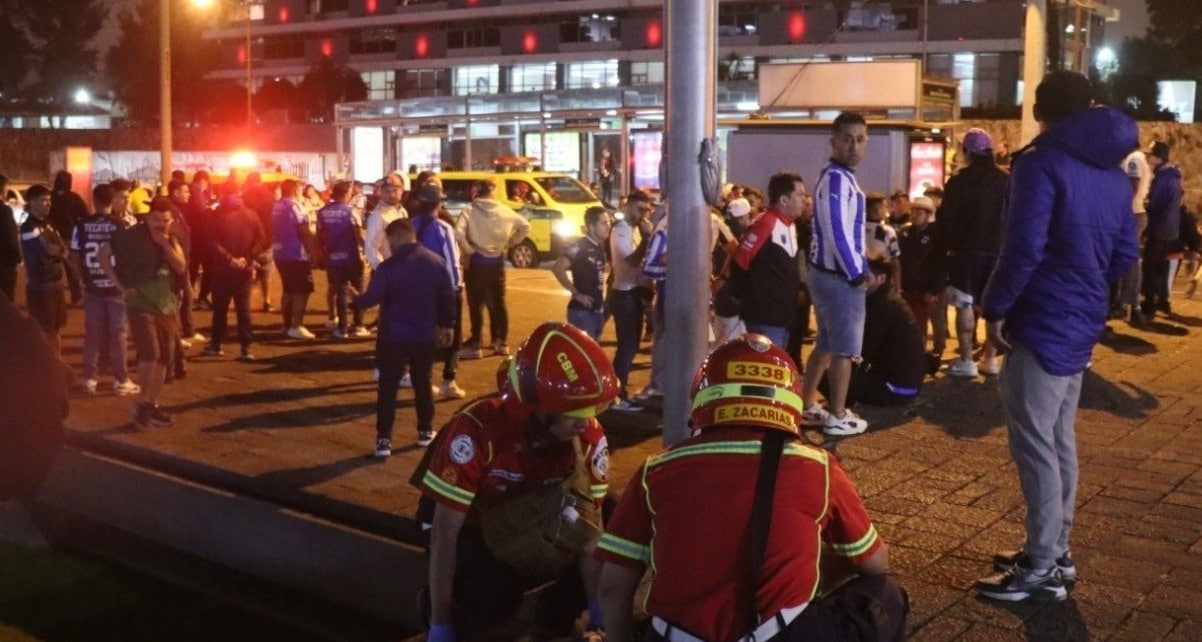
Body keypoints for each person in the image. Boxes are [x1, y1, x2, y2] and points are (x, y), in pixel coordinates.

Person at [596, 333, 908, 642]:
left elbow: (613, 586)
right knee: (887, 595)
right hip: (776, 634)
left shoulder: (656, 470)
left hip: (674, 636)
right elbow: (874, 561)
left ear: (703, 399)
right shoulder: (818, 467)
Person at [975, 71, 1138, 602]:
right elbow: (1123, 256)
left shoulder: (1040, 163)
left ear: (1042, 111)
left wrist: (994, 308)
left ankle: (1041, 563)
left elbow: (1022, 248)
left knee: (1035, 444)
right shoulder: (1115, 175)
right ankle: (1056, 550)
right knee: (1059, 437)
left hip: (1043, 318)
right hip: (1082, 317)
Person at [414, 321, 619, 641]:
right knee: (495, 596)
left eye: (593, 409)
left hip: (533, 509)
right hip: (472, 523)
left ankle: (555, 615)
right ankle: (436, 607)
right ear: (539, 407)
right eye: (574, 411)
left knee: (616, 518)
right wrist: (440, 623)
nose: (586, 421)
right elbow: (445, 531)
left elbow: (592, 533)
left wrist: (599, 611)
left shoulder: (589, 435)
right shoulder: (479, 428)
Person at [354, 218, 455, 456]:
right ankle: (425, 431)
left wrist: (353, 299)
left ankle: (383, 440)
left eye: (388, 240)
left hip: (394, 336)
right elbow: (447, 297)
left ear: (397, 237)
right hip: (424, 335)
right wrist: (447, 325)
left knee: (388, 388)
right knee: (423, 383)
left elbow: (371, 298)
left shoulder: (389, 267)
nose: (387, 246)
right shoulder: (436, 262)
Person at [802, 111, 870, 437]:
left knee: (826, 345)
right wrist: (858, 273)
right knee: (845, 349)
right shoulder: (837, 180)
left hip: (825, 273)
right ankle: (837, 415)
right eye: (847, 139)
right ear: (833, 140)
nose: (854, 146)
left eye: (860, 139)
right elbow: (836, 231)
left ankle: (807, 404)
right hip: (838, 277)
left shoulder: (836, 176)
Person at [99, 197, 189, 429]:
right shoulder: (131, 237)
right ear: (147, 218)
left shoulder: (172, 238)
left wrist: (165, 245)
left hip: (166, 304)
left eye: (165, 220)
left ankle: (151, 404)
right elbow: (102, 254)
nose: (160, 224)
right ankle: (141, 404)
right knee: (150, 354)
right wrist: (119, 286)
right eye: (156, 220)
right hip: (140, 303)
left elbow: (180, 266)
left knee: (164, 359)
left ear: (172, 220)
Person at [940, 128, 1008, 378]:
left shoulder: (958, 182)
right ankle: (990, 360)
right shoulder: (1005, 180)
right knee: (993, 305)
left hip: (966, 252)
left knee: (964, 305)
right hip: (997, 250)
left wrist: (948, 247)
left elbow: (946, 219)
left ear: (968, 151)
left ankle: (967, 360)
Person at [818, 259, 927, 407]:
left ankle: (840, 408)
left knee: (826, 374)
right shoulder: (887, 299)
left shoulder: (882, 307)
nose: (860, 282)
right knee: (834, 370)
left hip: (896, 390)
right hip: (904, 384)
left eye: (866, 278)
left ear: (881, 278)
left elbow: (860, 354)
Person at [70, 183, 139, 396]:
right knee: (118, 334)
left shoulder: (81, 225)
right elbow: (129, 257)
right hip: (115, 287)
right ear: (113, 201)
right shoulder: (122, 225)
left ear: (94, 200)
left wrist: (82, 278)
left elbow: (74, 255)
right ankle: (120, 379)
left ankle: (90, 379)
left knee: (92, 334)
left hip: (92, 287)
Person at [456, 176, 531, 359]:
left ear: (478, 190)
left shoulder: (470, 210)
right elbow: (525, 226)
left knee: (476, 304)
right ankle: (500, 342)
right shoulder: (505, 211)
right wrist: (512, 242)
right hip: (497, 261)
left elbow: (458, 232)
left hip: (477, 263)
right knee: (499, 302)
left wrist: (469, 250)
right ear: (493, 190)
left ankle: (476, 344)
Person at [729, 172, 806, 348]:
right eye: (800, 195)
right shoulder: (765, 224)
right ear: (784, 200)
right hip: (765, 318)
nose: (805, 200)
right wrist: (742, 297)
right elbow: (740, 261)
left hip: (782, 317)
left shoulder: (790, 225)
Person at [205, 190, 268, 361]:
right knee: (243, 308)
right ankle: (246, 348)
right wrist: (247, 258)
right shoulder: (252, 215)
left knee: (220, 310)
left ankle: (216, 344)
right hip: (245, 269)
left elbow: (212, 242)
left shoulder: (218, 216)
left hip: (222, 269)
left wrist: (229, 259)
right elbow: (261, 240)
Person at [608, 190, 654, 411]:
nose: (643, 214)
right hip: (624, 293)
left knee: (632, 345)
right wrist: (647, 239)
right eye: (639, 209)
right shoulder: (621, 231)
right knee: (626, 347)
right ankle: (616, 394)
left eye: (646, 210)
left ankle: (618, 392)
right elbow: (634, 260)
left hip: (634, 292)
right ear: (627, 207)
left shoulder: (634, 229)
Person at [20, 184, 78, 357]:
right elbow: (46, 251)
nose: (48, 204)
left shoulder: (48, 224)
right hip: (41, 286)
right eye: (43, 200)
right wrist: (59, 251)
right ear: (31, 202)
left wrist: (59, 251)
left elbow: (61, 249)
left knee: (56, 329)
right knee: (44, 332)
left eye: (49, 200)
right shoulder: (29, 228)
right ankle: (47, 367)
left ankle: (56, 363)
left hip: (56, 284)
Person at [316, 181, 370, 339]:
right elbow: (359, 235)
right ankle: (359, 325)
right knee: (358, 290)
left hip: (333, 258)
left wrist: (323, 254)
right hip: (352, 257)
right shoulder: (352, 212)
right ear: (347, 194)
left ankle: (342, 328)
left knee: (340, 292)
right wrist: (367, 253)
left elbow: (320, 236)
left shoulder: (322, 212)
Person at [552, 205, 611, 340]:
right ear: (591, 227)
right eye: (603, 223)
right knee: (585, 358)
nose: (608, 226)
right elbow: (558, 268)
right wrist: (576, 294)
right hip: (582, 312)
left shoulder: (599, 246)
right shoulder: (580, 246)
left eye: (609, 222)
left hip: (596, 311)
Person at [897, 196, 946, 354]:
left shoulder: (936, 234)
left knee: (934, 319)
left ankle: (938, 350)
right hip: (908, 286)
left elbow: (940, 264)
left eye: (919, 212)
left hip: (927, 288)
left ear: (927, 214)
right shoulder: (905, 233)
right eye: (914, 211)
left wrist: (933, 290)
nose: (915, 215)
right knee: (911, 323)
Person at [1140, 141, 1183, 319]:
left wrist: (1145, 204)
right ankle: (1160, 301)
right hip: (1170, 228)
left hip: (1159, 227)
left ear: (1158, 157)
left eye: (1151, 155)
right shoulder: (1174, 176)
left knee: (1150, 265)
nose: (1148, 158)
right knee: (1160, 266)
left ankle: (1149, 303)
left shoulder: (1162, 177)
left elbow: (1155, 204)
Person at [272, 179, 318, 339]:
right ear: (295, 190)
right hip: (296, 254)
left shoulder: (276, 206)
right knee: (301, 291)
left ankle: (286, 326)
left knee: (288, 290)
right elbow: (304, 231)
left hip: (279, 252)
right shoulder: (296, 207)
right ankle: (296, 326)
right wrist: (313, 252)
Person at [0, 174, 22, 301]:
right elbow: (11, 237)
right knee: (6, 301)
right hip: (5, 264)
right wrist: (17, 257)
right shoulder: (4, 211)